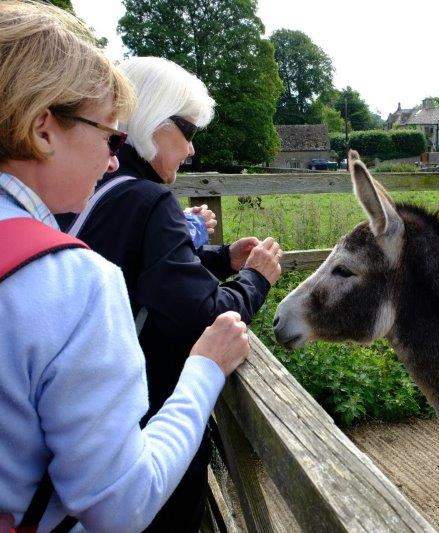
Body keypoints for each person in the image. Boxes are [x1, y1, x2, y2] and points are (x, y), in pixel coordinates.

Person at [0, 2, 249, 530]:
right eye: (109, 136)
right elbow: (118, 506)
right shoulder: (73, 283)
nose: (114, 158)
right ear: (43, 129)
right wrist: (205, 371)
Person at [55, 56, 282, 531]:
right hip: (146, 421)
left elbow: (143, 270)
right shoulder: (150, 199)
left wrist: (220, 259)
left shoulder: (102, 187)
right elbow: (207, 315)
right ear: (157, 123)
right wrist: (257, 278)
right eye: (190, 131)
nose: (193, 150)